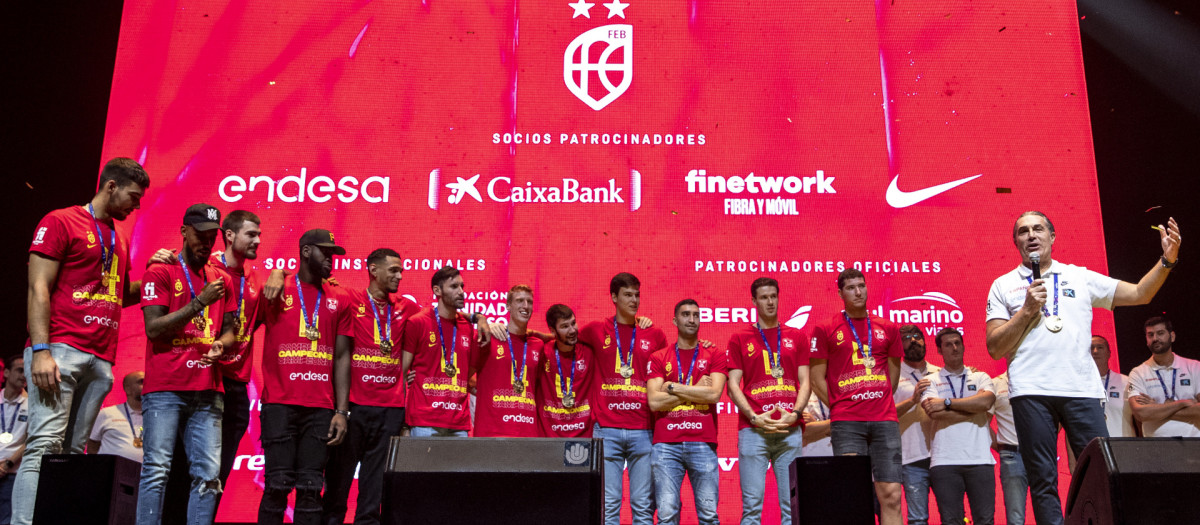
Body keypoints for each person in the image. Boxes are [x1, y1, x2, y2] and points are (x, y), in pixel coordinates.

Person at [985, 211, 1181, 525]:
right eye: (1023, 231)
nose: (1031, 235)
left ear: (1052, 237)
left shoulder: (1078, 276)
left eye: (1038, 229)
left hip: (1081, 390)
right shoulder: (1003, 285)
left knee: (1101, 474)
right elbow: (995, 346)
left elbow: (1140, 293)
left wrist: (1167, 260)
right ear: (1016, 242)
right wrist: (1026, 311)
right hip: (1030, 391)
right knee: (1043, 479)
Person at [15, 158, 151, 525]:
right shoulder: (61, 220)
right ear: (111, 186)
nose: (135, 206)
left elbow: (119, 295)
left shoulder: (118, 238)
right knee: (44, 446)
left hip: (100, 358)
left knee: (73, 453)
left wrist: (158, 274)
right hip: (59, 349)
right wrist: (41, 350)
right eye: (133, 197)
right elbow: (37, 287)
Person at [136, 203, 238, 525]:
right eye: (200, 235)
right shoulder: (160, 271)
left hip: (208, 388)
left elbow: (231, 329)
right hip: (165, 386)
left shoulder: (222, 278)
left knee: (209, 476)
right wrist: (199, 303)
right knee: (156, 471)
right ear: (183, 232)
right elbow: (153, 329)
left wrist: (222, 344)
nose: (207, 243)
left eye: (212, 237)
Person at [257, 229, 352, 525]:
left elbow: (341, 357)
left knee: (311, 488)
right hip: (279, 404)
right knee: (277, 485)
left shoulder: (340, 297)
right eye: (326, 253)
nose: (331, 261)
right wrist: (276, 272)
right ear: (307, 251)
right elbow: (242, 327)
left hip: (321, 409)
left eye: (334, 255)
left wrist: (341, 410)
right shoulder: (275, 289)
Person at [322, 248, 420, 525]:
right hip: (353, 407)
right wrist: (279, 274)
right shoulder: (348, 298)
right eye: (393, 270)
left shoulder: (406, 307)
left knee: (373, 492)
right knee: (337, 485)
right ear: (373, 270)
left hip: (390, 410)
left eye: (401, 271)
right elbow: (313, 284)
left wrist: (478, 319)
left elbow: (437, 320)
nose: (399, 276)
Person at [810, 268, 904, 525]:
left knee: (891, 495)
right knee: (853, 493)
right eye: (851, 288)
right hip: (847, 422)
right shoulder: (825, 328)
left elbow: (892, 376)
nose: (858, 292)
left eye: (861, 285)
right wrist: (841, 405)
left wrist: (877, 396)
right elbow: (817, 379)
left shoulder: (888, 327)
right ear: (840, 293)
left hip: (885, 420)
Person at [577, 273, 667, 525]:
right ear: (614, 297)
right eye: (628, 295)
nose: (634, 300)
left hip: (643, 430)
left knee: (643, 507)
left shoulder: (655, 334)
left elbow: (669, 369)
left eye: (637, 294)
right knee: (608, 505)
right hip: (607, 430)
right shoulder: (595, 330)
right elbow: (561, 337)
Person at [726, 277, 810, 525]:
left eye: (773, 296)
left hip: (789, 429)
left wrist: (794, 414)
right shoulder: (740, 337)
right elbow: (732, 385)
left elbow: (805, 382)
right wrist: (753, 417)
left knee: (792, 509)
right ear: (754, 301)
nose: (770, 302)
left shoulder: (797, 336)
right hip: (753, 430)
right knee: (751, 509)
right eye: (764, 297)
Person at [646, 299, 727, 525]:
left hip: (703, 441)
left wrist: (672, 387)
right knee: (667, 515)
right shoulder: (659, 357)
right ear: (675, 320)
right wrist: (695, 389)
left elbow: (713, 395)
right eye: (686, 314)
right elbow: (654, 401)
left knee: (709, 516)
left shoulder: (715, 354)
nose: (692, 319)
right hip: (666, 445)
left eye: (696, 315)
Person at [920, 329, 996, 525]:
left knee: (985, 521)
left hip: (980, 460)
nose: (954, 348)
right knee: (951, 521)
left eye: (957, 343)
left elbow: (985, 404)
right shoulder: (930, 381)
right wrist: (973, 407)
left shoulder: (981, 377)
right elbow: (933, 412)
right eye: (948, 344)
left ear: (963, 346)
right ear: (939, 350)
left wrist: (946, 403)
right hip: (945, 462)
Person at [401, 266, 479, 437]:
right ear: (437, 290)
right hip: (424, 421)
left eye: (462, 286)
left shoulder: (467, 327)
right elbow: (402, 372)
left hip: (458, 422)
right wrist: (404, 424)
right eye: (454, 287)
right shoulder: (418, 322)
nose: (461, 292)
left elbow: (468, 374)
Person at [472, 285, 545, 438]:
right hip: (492, 433)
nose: (525, 306)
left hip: (528, 433)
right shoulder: (488, 337)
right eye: (519, 301)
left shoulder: (538, 345)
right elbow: (460, 372)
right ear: (507, 306)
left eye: (529, 302)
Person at [892, 324, 938, 525]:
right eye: (907, 337)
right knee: (918, 519)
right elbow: (884, 414)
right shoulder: (891, 375)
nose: (913, 340)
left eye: (917, 336)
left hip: (943, 455)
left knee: (952, 515)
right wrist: (911, 400)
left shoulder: (940, 372)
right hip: (912, 456)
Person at [1128, 316, 1200, 437]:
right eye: (1150, 335)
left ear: (1172, 336)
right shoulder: (1138, 372)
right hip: (1157, 448)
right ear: (1146, 340)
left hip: (1194, 443)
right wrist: (1181, 403)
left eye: (1160, 333)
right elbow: (1141, 414)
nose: (1155, 338)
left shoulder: (1194, 367)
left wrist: (1156, 409)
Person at [536, 304, 596, 438]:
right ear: (552, 331)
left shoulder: (590, 352)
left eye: (573, 323)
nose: (572, 330)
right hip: (549, 439)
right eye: (564, 326)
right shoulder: (542, 352)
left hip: (584, 439)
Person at [990, 371, 1029, 525]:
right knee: (1015, 517)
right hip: (1011, 455)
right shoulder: (995, 384)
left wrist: (1044, 442)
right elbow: (984, 422)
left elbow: (1056, 417)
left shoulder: (1037, 377)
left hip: (1039, 454)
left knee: (1046, 510)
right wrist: (1002, 447)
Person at [88, 371, 145, 463]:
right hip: (111, 474)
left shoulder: (155, 416)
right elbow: (92, 446)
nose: (147, 385)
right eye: (141, 382)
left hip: (145, 475)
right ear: (128, 389)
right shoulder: (107, 413)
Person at [0, 356, 28, 525]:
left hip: (13, 474)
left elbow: (32, 438)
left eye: (27, 371)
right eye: (19, 370)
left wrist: (7, 464)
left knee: (7, 520)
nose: (24, 375)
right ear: (6, 373)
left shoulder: (33, 404)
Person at [1090, 336, 1134, 438]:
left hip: (1124, 446)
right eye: (1091, 348)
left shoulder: (1127, 382)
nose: (1095, 351)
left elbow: (1139, 419)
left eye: (1100, 347)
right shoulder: (1079, 385)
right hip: (1092, 447)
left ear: (1109, 353)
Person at [800, 393, 832, 457]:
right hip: (814, 451)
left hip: (837, 448)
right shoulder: (803, 394)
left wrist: (816, 423)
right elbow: (806, 430)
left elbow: (848, 421)